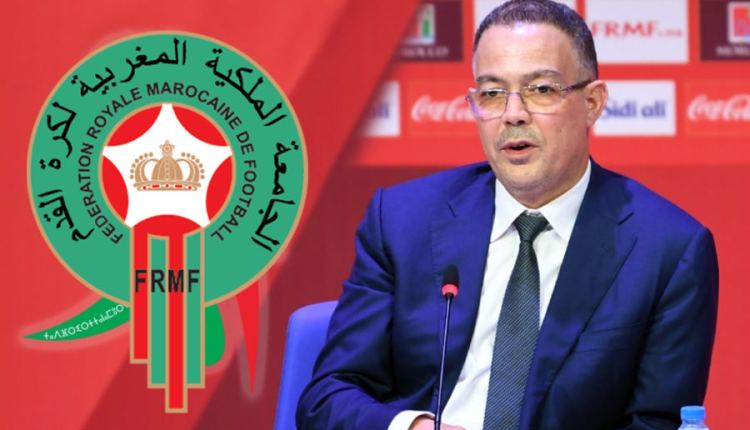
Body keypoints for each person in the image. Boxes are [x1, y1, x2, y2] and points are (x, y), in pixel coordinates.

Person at [296, 1, 719, 429]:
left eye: (541, 89)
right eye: (492, 93)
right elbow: (329, 395)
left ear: (592, 102)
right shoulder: (403, 221)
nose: (513, 114)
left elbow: (658, 423)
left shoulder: (667, 251)